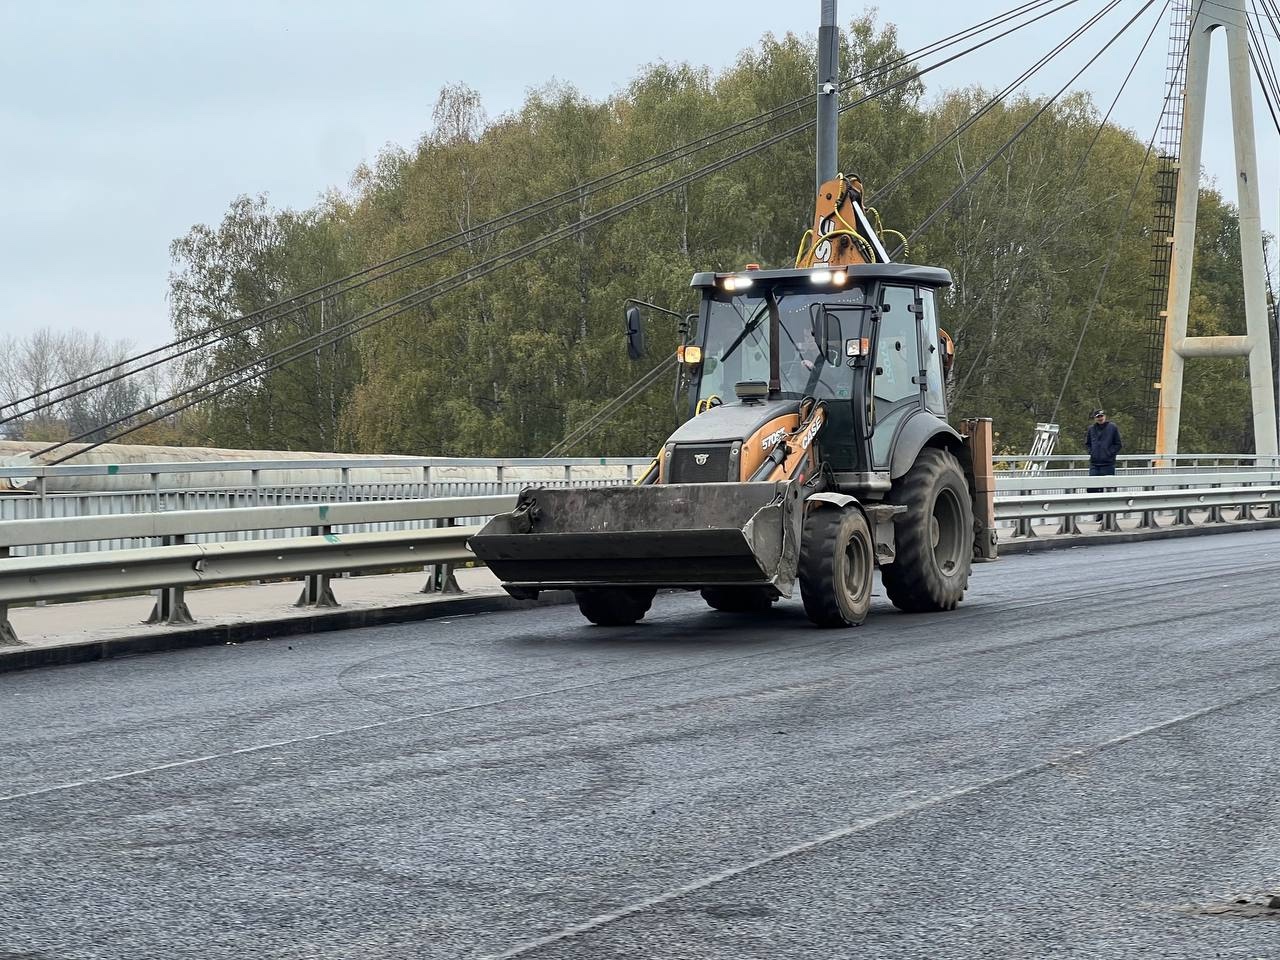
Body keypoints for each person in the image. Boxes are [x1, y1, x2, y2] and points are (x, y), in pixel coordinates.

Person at [1084, 408, 1122, 494]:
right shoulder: (1091, 429)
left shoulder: (1112, 427)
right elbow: (1087, 444)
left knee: (1110, 489)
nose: (1100, 418)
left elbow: (1118, 444)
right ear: (1095, 418)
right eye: (1098, 416)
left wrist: (1109, 453)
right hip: (1094, 464)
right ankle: (1093, 506)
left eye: (1102, 416)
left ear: (1105, 416)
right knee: (1092, 489)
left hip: (1108, 464)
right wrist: (1092, 452)